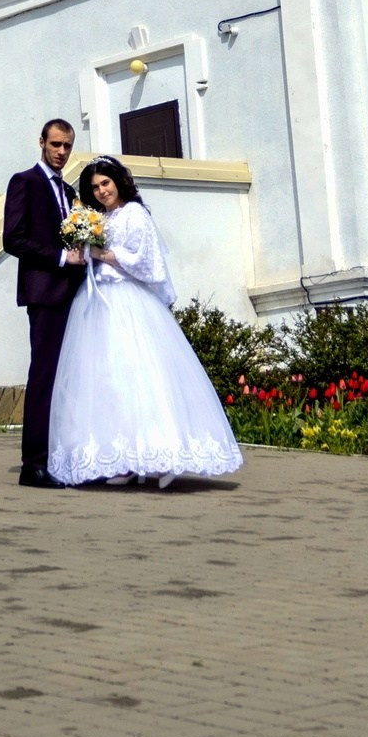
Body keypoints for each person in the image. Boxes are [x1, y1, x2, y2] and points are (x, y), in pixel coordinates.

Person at [48, 157, 243, 489]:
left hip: (129, 302)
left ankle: (161, 456)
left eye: (105, 183)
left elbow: (148, 264)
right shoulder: (96, 218)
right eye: (95, 187)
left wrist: (104, 254)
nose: (101, 190)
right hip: (98, 305)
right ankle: (126, 460)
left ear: (118, 182)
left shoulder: (136, 215)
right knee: (110, 382)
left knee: (141, 376)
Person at [1, 119, 86, 489]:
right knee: (45, 376)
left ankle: (63, 457)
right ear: (41, 142)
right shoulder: (25, 182)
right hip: (45, 294)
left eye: (67, 146)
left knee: (72, 377)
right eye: (55, 144)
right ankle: (33, 465)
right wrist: (60, 258)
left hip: (74, 295)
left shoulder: (70, 191)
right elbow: (13, 239)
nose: (61, 152)